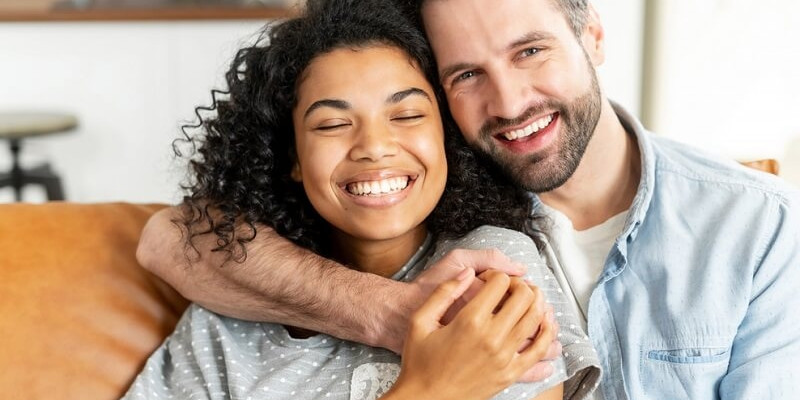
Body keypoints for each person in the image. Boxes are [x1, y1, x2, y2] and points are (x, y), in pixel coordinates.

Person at [138, 0, 800, 398]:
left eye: (530, 51)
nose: (509, 102)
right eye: (466, 74)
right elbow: (166, 240)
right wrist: (390, 313)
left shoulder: (758, 224)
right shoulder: (434, 205)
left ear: (593, 36)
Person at [124, 0, 601, 398]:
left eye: (407, 115)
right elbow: (164, 237)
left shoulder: (492, 275)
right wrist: (427, 389)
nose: (373, 146)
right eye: (333, 124)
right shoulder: (229, 307)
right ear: (291, 157)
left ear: (446, 137)